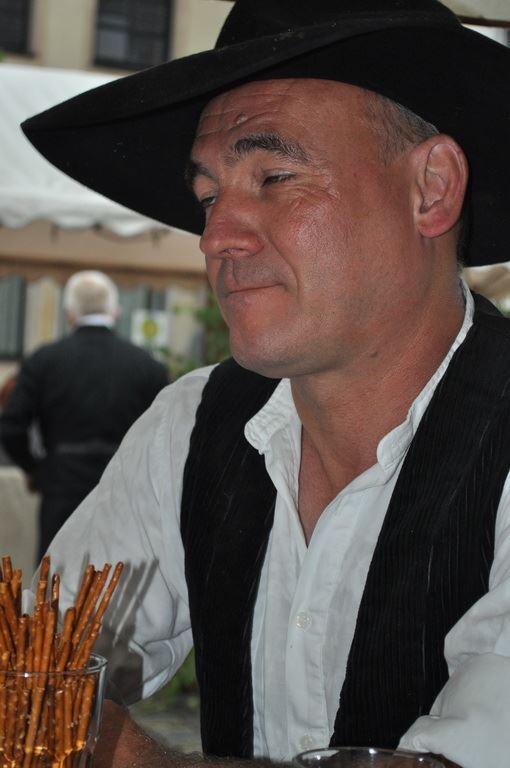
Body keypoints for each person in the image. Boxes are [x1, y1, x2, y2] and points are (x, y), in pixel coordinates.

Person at [20, 2, 510, 767]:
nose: (216, 236)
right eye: (209, 196)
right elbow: (37, 659)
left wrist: (119, 752)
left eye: (275, 177)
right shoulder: (193, 425)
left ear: (432, 188)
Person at [0, 270, 168, 558]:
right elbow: (164, 434)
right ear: (116, 311)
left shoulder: (44, 360)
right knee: (118, 576)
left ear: (69, 313)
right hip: (123, 490)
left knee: (59, 576)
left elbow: (11, 427)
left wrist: (37, 470)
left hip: (61, 487)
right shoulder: (147, 365)